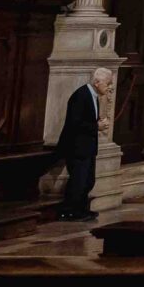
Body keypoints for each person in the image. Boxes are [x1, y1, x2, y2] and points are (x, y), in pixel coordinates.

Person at [57, 67, 113, 219]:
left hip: (87, 146)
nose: (110, 87)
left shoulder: (92, 95)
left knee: (88, 181)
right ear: (97, 82)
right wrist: (97, 126)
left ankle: (81, 210)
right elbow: (74, 123)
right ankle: (69, 211)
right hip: (77, 147)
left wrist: (97, 123)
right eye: (108, 84)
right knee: (78, 181)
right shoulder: (81, 95)